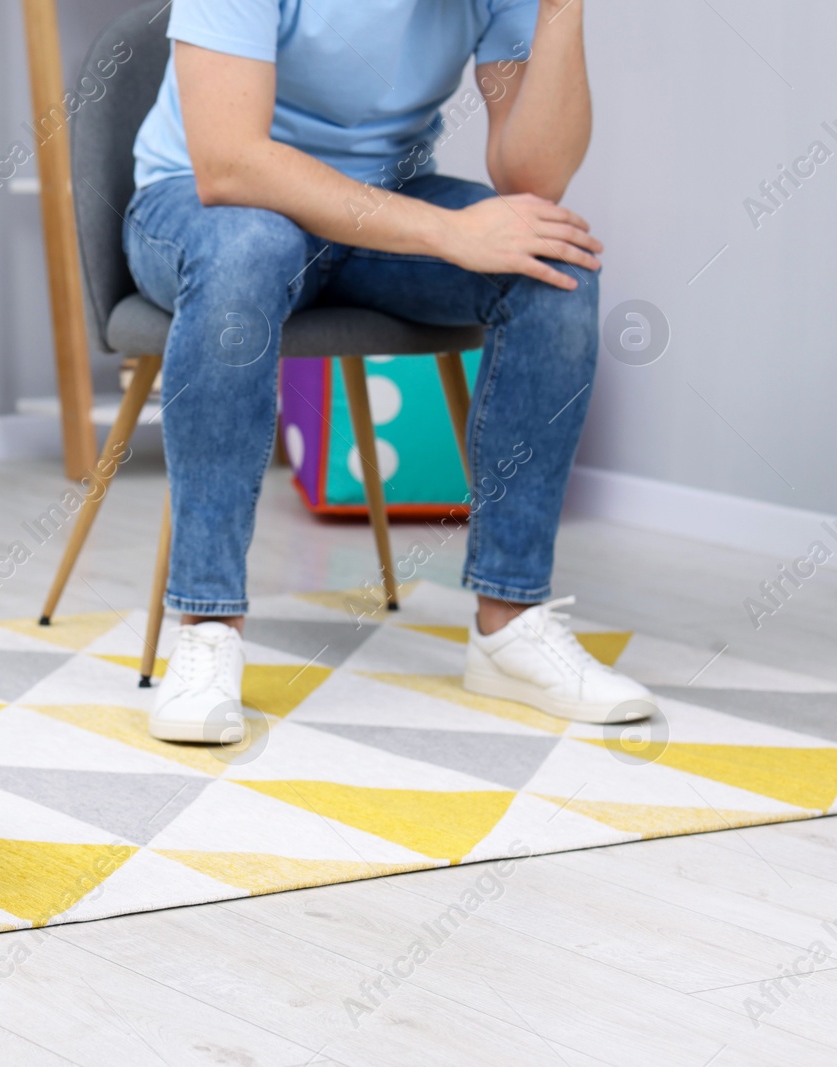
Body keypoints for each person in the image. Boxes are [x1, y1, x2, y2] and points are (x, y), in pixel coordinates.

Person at [128, 0, 657, 739]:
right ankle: (208, 625)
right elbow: (228, 163)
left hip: (380, 207)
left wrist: (561, 9)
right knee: (249, 251)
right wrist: (447, 233)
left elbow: (531, 175)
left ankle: (510, 621)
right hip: (204, 204)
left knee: (551, 263)